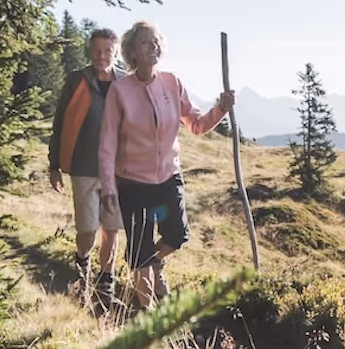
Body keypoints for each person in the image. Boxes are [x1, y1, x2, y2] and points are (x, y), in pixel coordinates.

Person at [99, 21, 234, 309]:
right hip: (132, 184)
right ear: (132, 52)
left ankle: (155, 264)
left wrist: (220, 109)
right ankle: (147, 315)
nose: (154, 46)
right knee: (140, 253)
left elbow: (197, 125)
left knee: (176, 235)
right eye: (147, 42)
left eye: (157, 41)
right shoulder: (120, 92)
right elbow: (107, 145)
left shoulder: (172, 83)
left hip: (167, 178)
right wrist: (109, 190)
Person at [48, 27, 122, 308]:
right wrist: (54, 165)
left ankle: (106, 285)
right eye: (97, 50)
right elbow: (60, 123)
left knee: (111, 230)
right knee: (88, 231)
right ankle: (82, 265)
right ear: (90, 52)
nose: (102, 56)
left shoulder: (125, 82)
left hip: (117, 171)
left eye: (107, 51)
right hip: (83, 167)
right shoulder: (77, 80)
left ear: (115, 52)